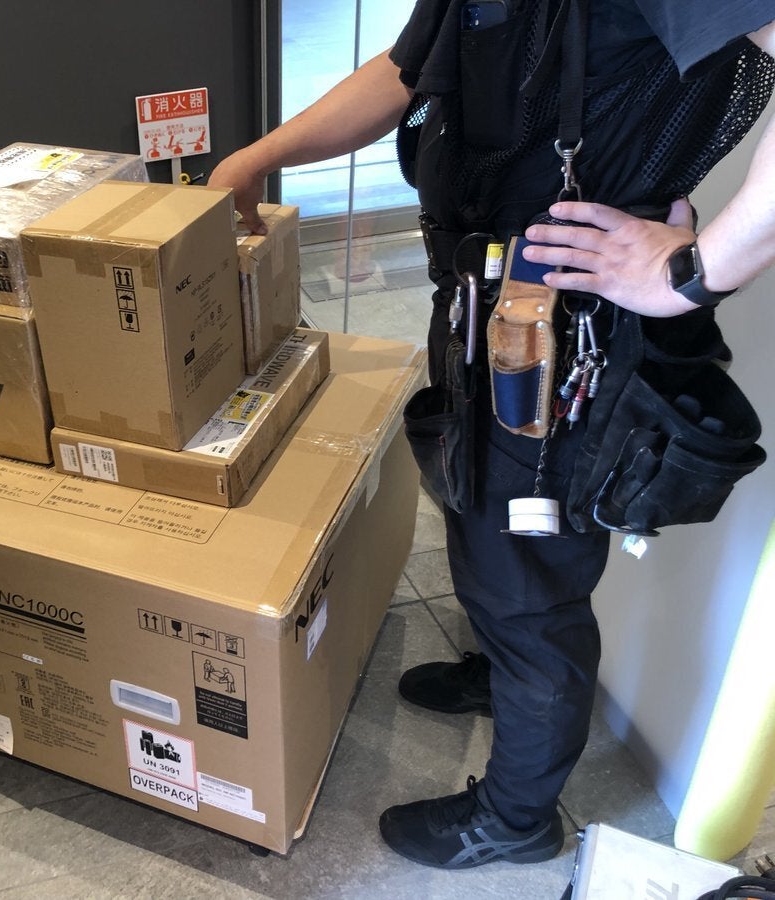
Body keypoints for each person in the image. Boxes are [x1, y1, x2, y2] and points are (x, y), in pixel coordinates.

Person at [209, 0, 775, 871]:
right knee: (478, 518)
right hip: (485, 302)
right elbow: (405, 70)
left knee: (527, 589)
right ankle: (498, 671)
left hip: (565, 331)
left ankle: (516, 818)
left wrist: (697, 273)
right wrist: (261, 156)